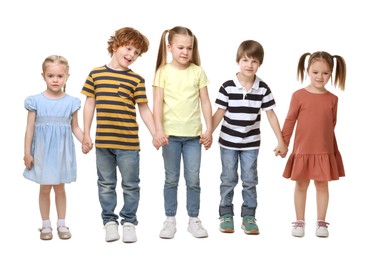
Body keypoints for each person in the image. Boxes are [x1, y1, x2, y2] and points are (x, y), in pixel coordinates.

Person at [81, 27, 158, 243]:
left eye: (137, 53)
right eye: (129, 48)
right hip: (103, 143)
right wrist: (86, 134)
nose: (132, 55)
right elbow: (89, 104)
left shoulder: (136, 80)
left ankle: (129, 222)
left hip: (128, 144)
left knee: (131, 184)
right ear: (115, 45)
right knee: (105, 184)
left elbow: (144, 109)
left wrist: (155, 133)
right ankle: (109, 222)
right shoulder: (95, 74)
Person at [210, 40, 288, 235]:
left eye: (254, 61)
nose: (249, 65)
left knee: (250, 179)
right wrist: (207, 133)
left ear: (259, 64)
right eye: (245, 60)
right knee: (228, 178)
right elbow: (219, 112)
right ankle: (226, 214)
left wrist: (281, 140)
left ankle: (249, 216)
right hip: (228, 143)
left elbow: (270, 114)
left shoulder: (263, 88)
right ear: (238, 61)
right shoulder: (227, 86)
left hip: (251, 144)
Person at [152, 26, 213, 239]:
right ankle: (170, 220)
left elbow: (205, 101)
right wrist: (158, 130)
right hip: (170, 137)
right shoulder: (163, 72)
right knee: (171, 179)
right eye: (180, 47)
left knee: (193, 179)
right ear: (169, 47)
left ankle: (193, 219)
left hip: (193, 137)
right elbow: (157, 103)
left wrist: (209, 129)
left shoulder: (198, 72)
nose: (185, 52)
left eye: (189, 47)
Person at [23, 55, 89, 240]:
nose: (55, 80)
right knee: (44, 189)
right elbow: (29, 129)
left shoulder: (71, 102)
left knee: (60, 188)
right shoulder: (35, 101)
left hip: (61, 153)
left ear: (67, 76)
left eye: (60, 76)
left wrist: (85, 140)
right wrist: (27, 153)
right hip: (42, 153)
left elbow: (75, 127)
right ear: (43, 75)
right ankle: (45, 225)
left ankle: (62, 223)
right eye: (51, 75)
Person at [282, 51, 346, 238]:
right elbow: (290, 120)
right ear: (307, 70)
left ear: (331, 73)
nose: (320, 77)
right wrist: (284, 143)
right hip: (303, 149)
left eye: (325, 73)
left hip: (324, 150)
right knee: (301, 185)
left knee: (322, 185)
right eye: (315, 72)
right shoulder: (299, 95)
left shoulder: (333, 99)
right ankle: (299, 221)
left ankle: (321, 223)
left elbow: (331, 123)